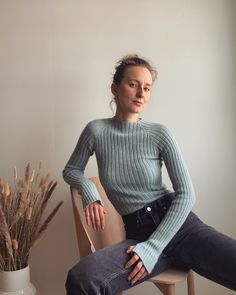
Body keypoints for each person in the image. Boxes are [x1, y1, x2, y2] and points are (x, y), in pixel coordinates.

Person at [63, 54, 236, 294]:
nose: (141, 93)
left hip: (181, 228)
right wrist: (90, 192)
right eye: (133, 84)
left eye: (147, 88)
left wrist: (154, 248)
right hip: (139, 235)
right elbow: (71, 170)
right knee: (82, 279)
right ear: (115, 88)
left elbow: (186, 194)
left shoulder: (159, 133)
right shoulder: (96, 131)